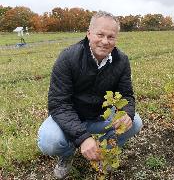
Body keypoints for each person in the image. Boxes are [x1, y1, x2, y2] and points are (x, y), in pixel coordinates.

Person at [37, 11, 143, 179]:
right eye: (100, 34)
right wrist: (82, 138)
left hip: (101, 117)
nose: (105, 41)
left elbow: (127, 95)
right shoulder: (68, 58)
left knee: (135, 122)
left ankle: (104, 153)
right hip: (72, 116)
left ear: (116, 39)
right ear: (88, 34)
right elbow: (58, 103)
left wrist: (128, 113)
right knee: (49, 140)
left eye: (111, 37)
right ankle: (67, 154)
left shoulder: (121, 60)